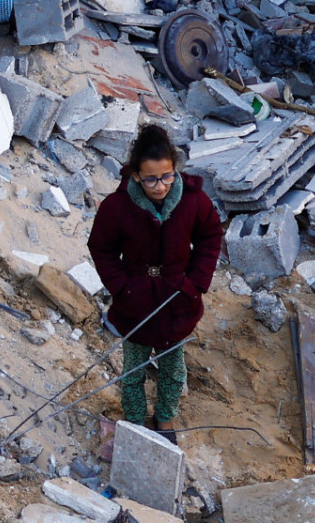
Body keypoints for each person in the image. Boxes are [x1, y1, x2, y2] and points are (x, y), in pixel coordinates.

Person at [86, 124, 223, 443]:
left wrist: (195, 283)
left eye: (166, 176)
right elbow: (101, 247)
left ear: (175, 169)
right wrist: (122, 288)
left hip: (178, 299)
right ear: (135, 175)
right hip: (135, 301)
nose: (160, 186)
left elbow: (211, 235)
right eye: (150, 179)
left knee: (173, 367)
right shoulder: (117, 207)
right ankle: (134, 420)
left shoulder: (193, 200)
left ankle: (165, 420)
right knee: (133, 368)